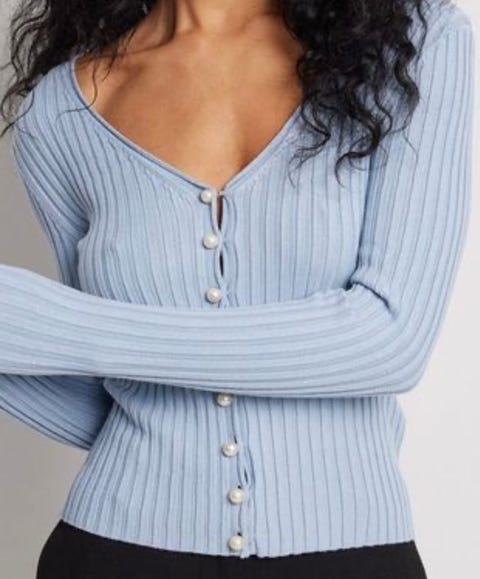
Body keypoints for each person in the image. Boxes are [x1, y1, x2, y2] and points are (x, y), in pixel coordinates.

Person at [0, 0, 474, 577]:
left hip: (354, 556)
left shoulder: (412, 41)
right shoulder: (60, 112)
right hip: (112, 551)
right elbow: (106, 393)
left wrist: (61, 326)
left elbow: (390, 341)